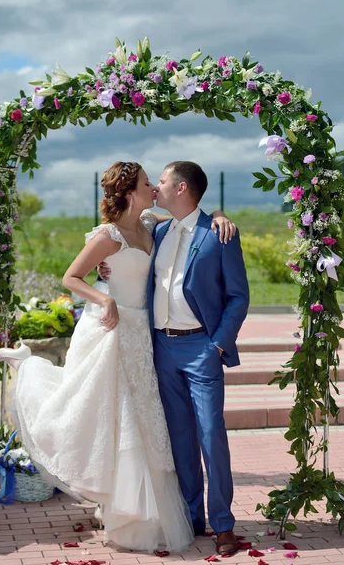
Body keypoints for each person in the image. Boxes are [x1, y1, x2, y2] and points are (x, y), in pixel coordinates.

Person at [0, 161, 235, 553]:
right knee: (107, 414)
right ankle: (29, 366)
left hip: (145, 335)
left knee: (142, 423)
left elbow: (195, 214)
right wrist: (104, 295)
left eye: (156, 182)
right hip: (113, 327)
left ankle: (144, 508)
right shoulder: (108, 235)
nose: (153, 187)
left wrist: (220, 214)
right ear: (127, 192)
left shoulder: (153, 224)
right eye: (145, 183)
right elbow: (71, 277)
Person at [99, 161, 249, 556]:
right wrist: (106, 272)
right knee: (178, 437)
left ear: (181, 189)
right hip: (161, 348)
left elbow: (238, 296)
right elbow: (124, 236)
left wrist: (217, 345)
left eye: (161, 182)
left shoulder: (219, 235)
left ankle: (223, 524)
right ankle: (190, 516)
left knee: (211, 435)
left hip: (202, 348)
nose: (156, 187)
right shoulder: (158, 229)